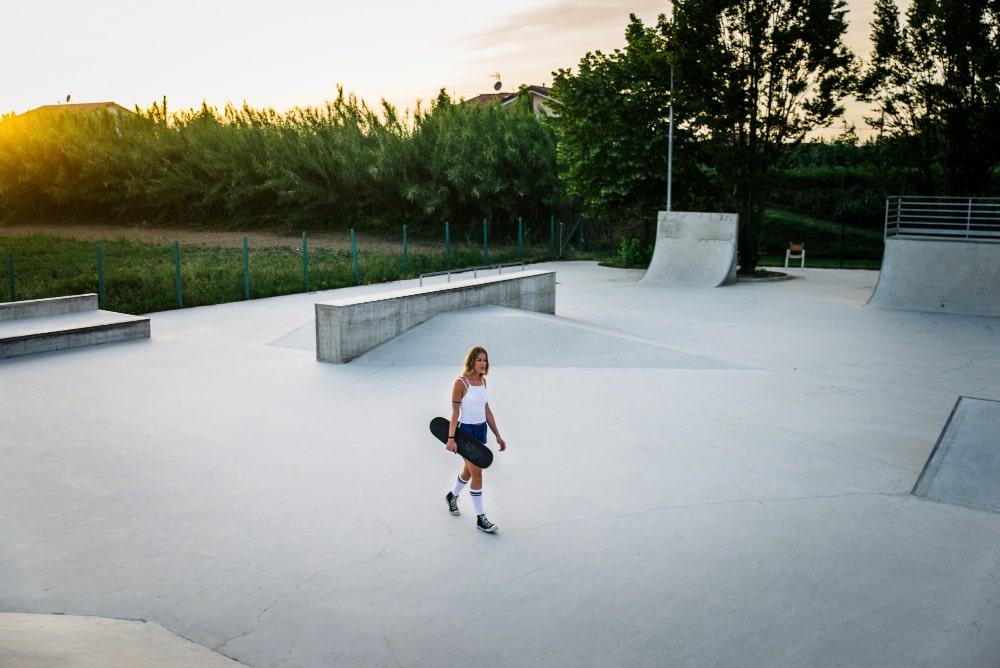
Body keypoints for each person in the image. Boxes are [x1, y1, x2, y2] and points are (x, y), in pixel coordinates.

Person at [444, 345, 506, 533]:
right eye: (479, 359)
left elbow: (486, 410)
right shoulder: (461, 383)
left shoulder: (483, 382)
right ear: (471, 361)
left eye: (485, 360)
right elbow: (455, 413)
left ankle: (452, 496)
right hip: (466, 434)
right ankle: (481, 518)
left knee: (469, 472)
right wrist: (451, 438)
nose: (483, 363)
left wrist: (497, 435)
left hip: (481, 432)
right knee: (477, 472)